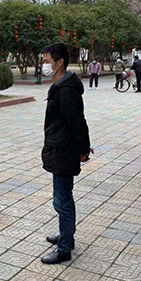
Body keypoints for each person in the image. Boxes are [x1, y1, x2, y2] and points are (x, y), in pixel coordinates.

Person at [40, 43, 92, 264]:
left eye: (47, 61)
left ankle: (64, 249)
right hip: (58, 148)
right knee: (61, 199)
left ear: (59, 62)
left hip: (64, 150)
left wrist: (83, 149)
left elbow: (77, 123)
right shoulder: (60, 86)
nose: (44, 65)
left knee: (63, 201)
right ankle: (66, 236)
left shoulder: (66, 91)